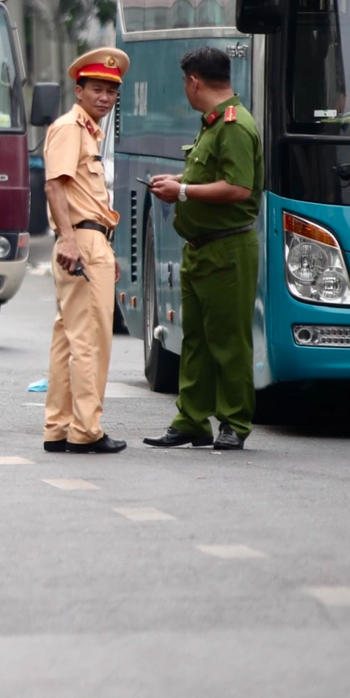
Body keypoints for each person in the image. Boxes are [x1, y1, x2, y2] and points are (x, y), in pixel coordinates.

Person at [144, 47, 262, 450]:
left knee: (228, 340)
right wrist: (181, 180)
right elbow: (213, 174)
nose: (185, 90)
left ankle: (234, 422)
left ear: (194, 81)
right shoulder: (214, 124)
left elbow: (239, 187)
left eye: (185, 83)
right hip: (201, 248)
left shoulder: (234, 125)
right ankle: (192, 419)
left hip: (228, 250)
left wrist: (183, 192)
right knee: (194, 338)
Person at [41, 47, 130, 455]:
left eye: (111, 92)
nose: (105, 98)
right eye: (97, 89)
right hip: (79, 240)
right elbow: (55, 185)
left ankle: (59, 427)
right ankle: (86, 430)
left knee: (69, 339)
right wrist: (68, 239)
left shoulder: (87, 131)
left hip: (91, 240)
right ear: (79, 90)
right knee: (91, 339)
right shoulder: (70, 128)